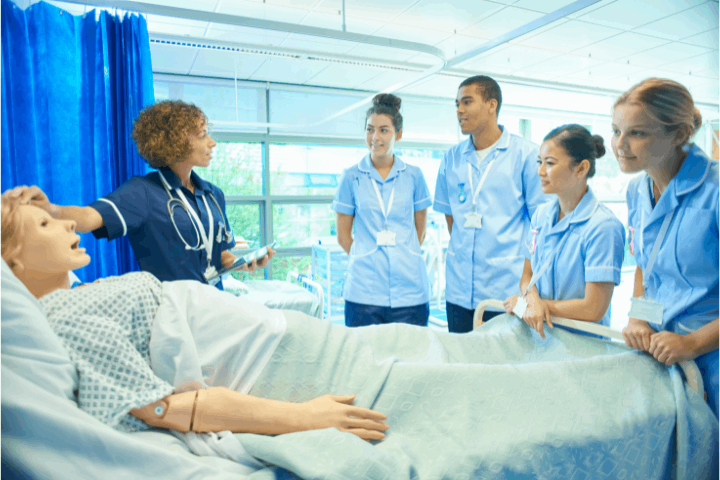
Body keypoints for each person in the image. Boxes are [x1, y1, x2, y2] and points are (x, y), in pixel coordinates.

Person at [4, 100, 273, 290]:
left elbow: (220, 257)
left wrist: (241, 263)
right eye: (203, 135)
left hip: (214, 305)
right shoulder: (143, 193)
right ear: (176, 142)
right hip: (174, 313)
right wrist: (51, 211)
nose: (212, 143)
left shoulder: (213, 195)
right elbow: (88, 216)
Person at [613, 78, 719, 418]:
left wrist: (691, 344)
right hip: (663, 355)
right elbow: (647, 264)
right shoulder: (636, 191)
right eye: (617, 130)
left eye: (637, 133)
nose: (620, 145)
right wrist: (638, 319)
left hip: (710, 356)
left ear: (678, 134)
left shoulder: (714, 191)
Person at [434, 75, 548, 333]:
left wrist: (530, 285)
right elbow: (450, 217)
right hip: (459, 292)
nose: (459, 110)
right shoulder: (451, 159)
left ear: (491, 105)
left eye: (467, 102)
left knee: (503, 368)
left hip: (506, 293)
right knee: (462, 364)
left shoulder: (526, 155)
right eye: (456, 104)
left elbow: (539, 224)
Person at [503, 125, 625, 338]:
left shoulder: (603, 227)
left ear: (581, 168)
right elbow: (527, 275)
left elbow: (594, 308)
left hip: (582, 346)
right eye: (539, 162)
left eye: (549, 163)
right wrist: (530, 300)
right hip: (542, 338)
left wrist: (534, 305)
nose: (540, 172)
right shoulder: (541, 216)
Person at [333, 93, 432, 327]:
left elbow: (420, 233)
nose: (375, 137)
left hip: (410, 291)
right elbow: (343, 237)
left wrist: (402, 256)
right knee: (364, 360)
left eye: (384, 130)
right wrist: (367, 257)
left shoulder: (414, 176)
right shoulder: (351, 176)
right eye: (370, 129)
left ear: (398, 134)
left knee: (412, 360)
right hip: (363, 293)